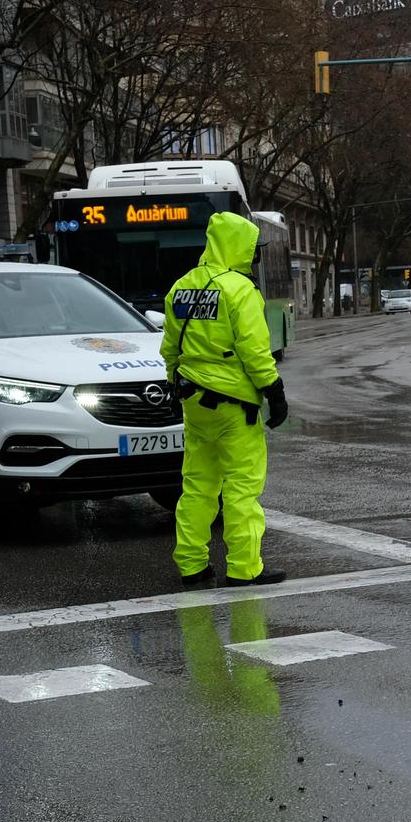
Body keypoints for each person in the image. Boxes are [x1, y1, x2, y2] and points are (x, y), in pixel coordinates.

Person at [160, 210, 289, 589]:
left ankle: (192, 565)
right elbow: (254, 350)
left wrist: (172, 385)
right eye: (251, 249)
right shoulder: (239, 289)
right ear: (238, 247)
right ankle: (244, 567)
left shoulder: (181, 287)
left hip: (193, 402)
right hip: (235, 406)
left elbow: (170, 349)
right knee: (242, 488)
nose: (253, 257)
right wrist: (274, 391)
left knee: (197, 486)